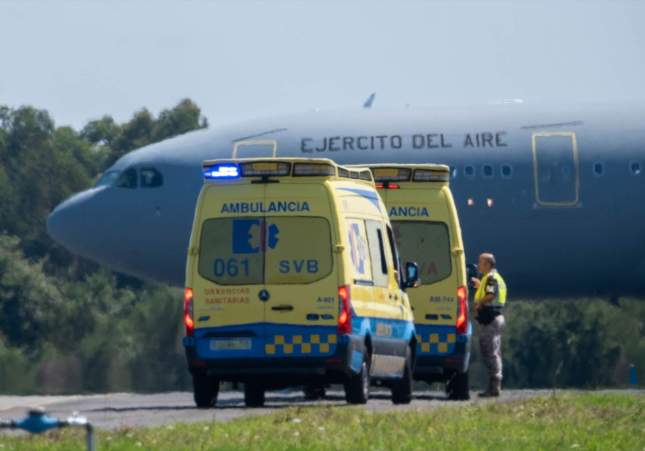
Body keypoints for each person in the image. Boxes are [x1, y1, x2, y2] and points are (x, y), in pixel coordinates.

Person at [471, 253, 507, 397]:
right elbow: (489, 292)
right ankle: (494, 386)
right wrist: (479, 286)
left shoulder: (491, 278)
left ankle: (494, 387)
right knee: (493, 351)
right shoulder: (492, 278)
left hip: (491, 319)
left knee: (490, 352)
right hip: (494, 319)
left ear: (487, 264)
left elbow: (491, 295)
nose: (478, 265)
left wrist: (480, 302)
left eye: (480, 262)